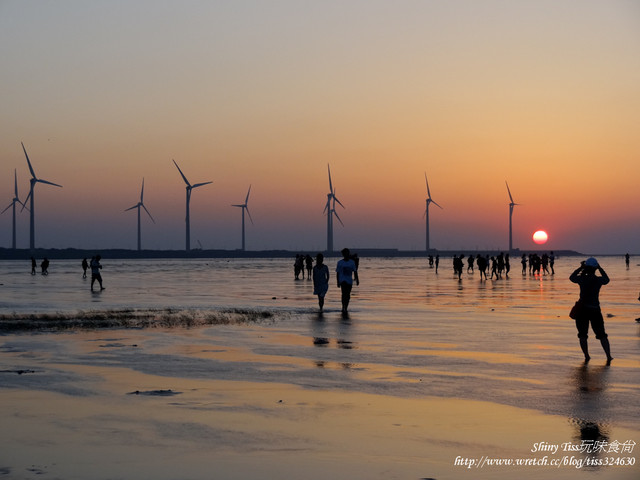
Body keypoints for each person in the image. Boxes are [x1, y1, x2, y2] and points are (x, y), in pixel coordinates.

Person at [569, 258, 612, 364]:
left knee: (582, 334)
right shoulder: (598, 280)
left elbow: (572, 277)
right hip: (595, 310)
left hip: (582, 310)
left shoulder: (582, 279)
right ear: (595, 268)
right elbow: (607, 279)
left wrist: (581, 267)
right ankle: (608, 356)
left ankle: (587, 356)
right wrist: (600, 268)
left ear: (586, 267)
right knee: (602, 334)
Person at [336, 248, 359, 313]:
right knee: (343, 294)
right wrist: (338, 282)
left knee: (348, 295)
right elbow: (337, 273)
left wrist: (357, 280)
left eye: (347, 253)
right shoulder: (340, 263)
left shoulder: (352, 262)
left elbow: (355, 271)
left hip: (349, 281)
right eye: (345, 253)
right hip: (342, 280)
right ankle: (343, 306)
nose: (346, 255)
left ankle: (346, 307)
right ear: (343, 254)